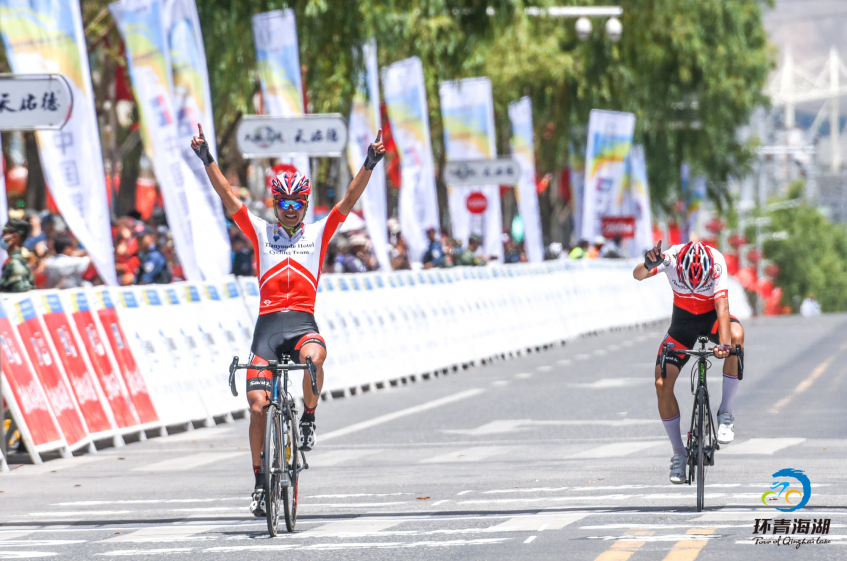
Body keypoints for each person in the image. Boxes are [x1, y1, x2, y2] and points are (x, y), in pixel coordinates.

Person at [191, 123, 385, 517]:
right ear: (276, 203)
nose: (292, 208)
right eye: (285, 202)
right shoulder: (262, 233)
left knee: (314, 358)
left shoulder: (318, 233)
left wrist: (369, 163)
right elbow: (228, 197)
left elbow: (348, 199)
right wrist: (207, 157)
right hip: (266, 329)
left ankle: (309, 418)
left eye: (298, 202)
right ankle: (261, 482)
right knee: (258, 406)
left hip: (301, 324)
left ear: (306, 203)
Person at [633, 241, 745, 484]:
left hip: (712, 319)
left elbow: (722, 307)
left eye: (699, 283)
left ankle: (725, 413)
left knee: (736, 339)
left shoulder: (716, 262)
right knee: (662, 382)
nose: (695, 287)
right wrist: (647, 264)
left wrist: (724, 344)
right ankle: (678, 453)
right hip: (682, 325)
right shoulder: (671, 258)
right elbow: (637, 275)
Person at [0, 219, 34, 293]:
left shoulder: (16, 263)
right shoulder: (16, 260)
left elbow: (19, 294)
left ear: (14, 237)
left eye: (4, 232)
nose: (2, 236)